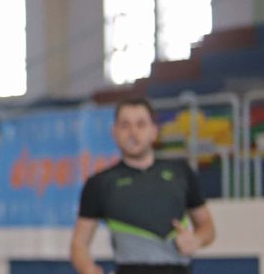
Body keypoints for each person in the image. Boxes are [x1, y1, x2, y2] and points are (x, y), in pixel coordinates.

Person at [71, 98, 216, 274]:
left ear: (154, 131)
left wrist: (196, 239)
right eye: (125, 125)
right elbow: (79, 244)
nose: (133, 132)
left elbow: (207, 227)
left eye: (141, 124)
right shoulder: (99, 183)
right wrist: (89, 270)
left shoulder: (181, 173)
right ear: (114, 132)